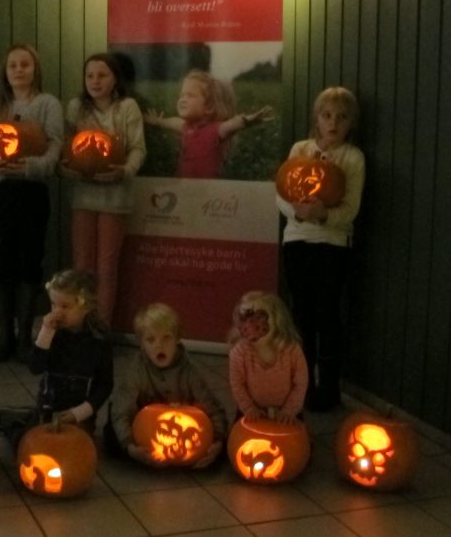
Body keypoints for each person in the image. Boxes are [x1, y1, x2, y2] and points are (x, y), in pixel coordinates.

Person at [0, 43, 64, 362]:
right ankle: (4, 335)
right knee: (1, 263)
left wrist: (30, 167)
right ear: (5, 72)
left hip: (31, 192)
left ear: (35, 69)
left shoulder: (48, 104)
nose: (19, 70)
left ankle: (25, 336)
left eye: (25, 64)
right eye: (13, 66)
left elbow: (55, 146)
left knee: (29, 263)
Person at [276, 86, 364, 411]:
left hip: (334, 246)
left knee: (328, 315)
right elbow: (282, 194)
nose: (333, 123)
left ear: (351, 123)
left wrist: (323, 214)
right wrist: (298, 212)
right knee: (301, 315)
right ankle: (303, 386)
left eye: (342, 118)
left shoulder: (353, 158)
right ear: (317, 118)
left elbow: (350, 210)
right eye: (327, 116)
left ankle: (329, 389)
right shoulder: (300, 149)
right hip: (297, 242)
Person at [61, 53, 147, 325]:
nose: (95, 81)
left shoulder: (127, 108)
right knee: (82, 265)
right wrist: (64, 169)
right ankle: (79, 325)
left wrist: (124, 171)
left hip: (115, 196)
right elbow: (65, 148)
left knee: (107, 267)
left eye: (102, 75)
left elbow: (138, 148)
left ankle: (101, 328)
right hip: (83, 196)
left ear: (115, 79)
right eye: (90, 76)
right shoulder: (76, 108)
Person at [0, 270, 113, 448]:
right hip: (48, 408)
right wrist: (45, 334)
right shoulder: (52, 333)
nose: (57, 312)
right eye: (53, 305)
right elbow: (35, 367)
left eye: (65, 307)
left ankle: (26, 416)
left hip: (78, 413)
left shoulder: (100, 340)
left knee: (74, 450)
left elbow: (105, 384)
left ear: (86, 306)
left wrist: (79, 413)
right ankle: (13, 423)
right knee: (28, 447)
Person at [109, 302, 226, 468]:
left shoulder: (190, 370)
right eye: (151, 339)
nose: (159, 345)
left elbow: (213, 407)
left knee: (221, 452)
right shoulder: (136, 370)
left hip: (183, 419)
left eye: (166, 338)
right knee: (113, 433)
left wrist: (218, 441)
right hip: (144, 426)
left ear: (177, 339)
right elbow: (122, 409)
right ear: (142, 344)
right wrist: (129, 445)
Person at [143, 69, 273, 179]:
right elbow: (173, 122)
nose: (183, 99)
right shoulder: (186, 127)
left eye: (190, 95)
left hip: (208, 190)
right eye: (182, 95)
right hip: (183, 185)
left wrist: (246, 121)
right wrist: (159, 122)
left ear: (209, 107)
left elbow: (232, 124)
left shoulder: (215, 130)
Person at [228, 291, 308, 424]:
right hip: (251, 409)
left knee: (297, 443)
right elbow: (237, 384)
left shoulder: (292, 349)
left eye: (258, 318)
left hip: (287, 410)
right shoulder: (239, 352)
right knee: (235, 442)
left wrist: (290, 410)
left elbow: (300, 383)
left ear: (277, 320)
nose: (250, 325)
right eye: (244, 319)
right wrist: (248, 408)